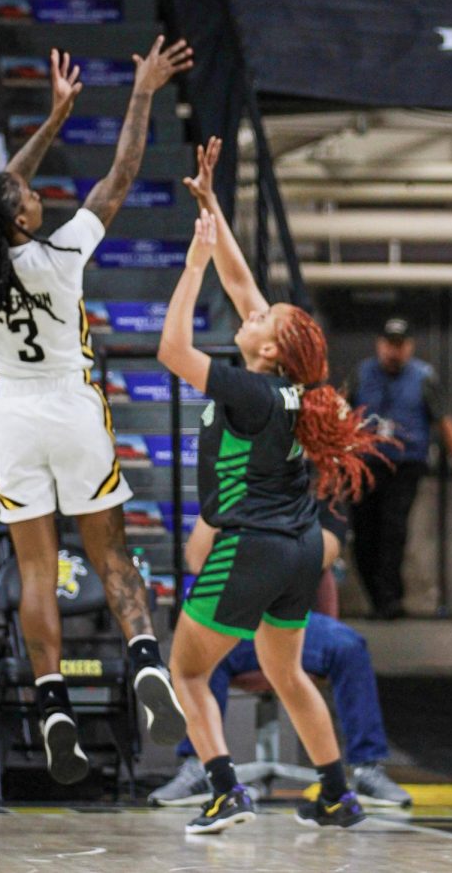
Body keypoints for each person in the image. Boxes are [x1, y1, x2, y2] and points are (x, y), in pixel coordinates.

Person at [0, 38, 194, 783]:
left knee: (35, 570)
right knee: (110, 554)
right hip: (73, 408)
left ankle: (53, 704)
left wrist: (55, 116)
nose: (36, 195)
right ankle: (143, 663)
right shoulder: (61, 252)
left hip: (13, 419)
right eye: (30, 200)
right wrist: (141, 91)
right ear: (20, 220)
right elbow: (124, 173)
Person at [157, 196, 390, 835]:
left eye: (263, 318)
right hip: (300, 547)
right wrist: (211, 208)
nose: (252, 311)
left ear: (269, 351)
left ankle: (224, 791)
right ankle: (339, 793)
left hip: (253, 545)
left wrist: (193, 262)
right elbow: (242, 284)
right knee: (286, 672)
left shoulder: (251, 390)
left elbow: (172, 349)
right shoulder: (299, 390)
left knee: (187, 670)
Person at [149, 503, 412, 809]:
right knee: (200, 657)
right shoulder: (230, 491)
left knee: (349, 646)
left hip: (291, 620)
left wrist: (245, 546)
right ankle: (198, 765)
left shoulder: (321, 497)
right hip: (238, 620)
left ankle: (368, 768)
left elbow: (318, 556)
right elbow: (196, 559)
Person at [345, 317, 452, 618]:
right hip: (365, 464)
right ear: (379, 345)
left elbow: (445, 422)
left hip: (405, 466)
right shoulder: (361, 374)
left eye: (400, 345)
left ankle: (390, 602)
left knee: (393, 532)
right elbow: (340, 411)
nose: (394, 351)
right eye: (389, 344)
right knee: (364, 535)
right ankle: (379, 599)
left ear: (410, 347)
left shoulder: (423, 377)